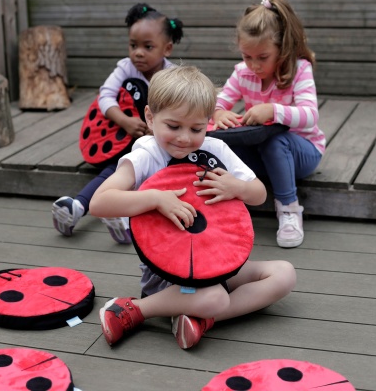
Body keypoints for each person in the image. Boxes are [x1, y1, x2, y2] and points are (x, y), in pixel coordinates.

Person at [89, 65, 297, 350]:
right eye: (173, 126)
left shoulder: (215, 151)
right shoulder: (148, 155)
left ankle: (199, 320)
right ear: (150, 117)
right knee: (216, 298)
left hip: (218, 261)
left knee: (284, 274)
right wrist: (156, 198)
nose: (184, 138)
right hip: (167, 274)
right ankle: (135, 309)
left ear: (208, 123)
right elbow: (99, 202)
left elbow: (259, 194)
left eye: (196, 128)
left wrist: (237, 187)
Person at [52, 3, 184, 243]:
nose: (138, 53)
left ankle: (109, 214)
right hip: (123, 138)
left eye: (148, 47)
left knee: (134, 169)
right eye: (133, 45)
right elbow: (105, 96)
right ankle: (78, 207)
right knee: (118, 168)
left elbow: (180, 109)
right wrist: (124, 121)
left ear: (167, 49)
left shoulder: (173, 75)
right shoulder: (126, 67)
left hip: (158, 143)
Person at [210, 0, 326, 248]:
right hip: (262, 154)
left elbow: (310, 117)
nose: (254, 65)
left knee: (276, 142)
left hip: (302, 152)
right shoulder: (242, 72)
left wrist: (273, 110)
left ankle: (288, 210)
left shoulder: (299, 69)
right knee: (221, 146)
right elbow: (217, 102)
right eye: (246, 56)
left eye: (262, 57)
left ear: (282, 48)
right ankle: (228, 205)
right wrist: (218, 113)